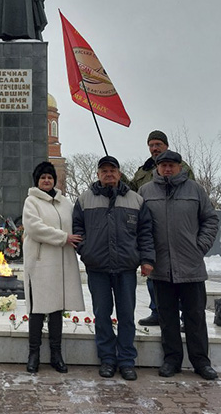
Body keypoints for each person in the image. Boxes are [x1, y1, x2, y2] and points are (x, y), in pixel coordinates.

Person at [139, 150, 220, 381]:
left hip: (190, 266)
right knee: (167, 317)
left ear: (179, 167)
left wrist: (200, 246)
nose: (167, 169)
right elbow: (141, 227)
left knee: (195, 317)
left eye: (171, 165)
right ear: (157, 167)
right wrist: (147, 255)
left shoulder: (195, 189)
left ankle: (201, 362)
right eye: (163, 165)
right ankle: (172, 360)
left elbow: (210, 219)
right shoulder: (145, 191)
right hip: (161, 267)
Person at [73, 156, 155, 381]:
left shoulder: (135, 200)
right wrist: (86, 250)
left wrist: (147, 259)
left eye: (113, 170)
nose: (108, 174)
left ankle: (127, 360)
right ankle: (108, 359)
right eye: (104, 171)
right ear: (98, 174)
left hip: (126, 267)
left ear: (119, 174)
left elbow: (145, 233)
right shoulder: (84, 200)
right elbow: (77, 229)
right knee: (102, 314)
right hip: (97, 267)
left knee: (126, 315)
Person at [21, 161, 85, 374]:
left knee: (57, 309)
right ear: (37, 181)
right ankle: (33, 354)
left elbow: (75, 225)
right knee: (37, 309)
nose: (46, 180)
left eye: (49, 177)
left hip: (60, 263)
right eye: (42, 178)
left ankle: (56, 354)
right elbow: (34, 228)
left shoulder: (65, 202)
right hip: (40, 263)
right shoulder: (31, 201)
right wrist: (63, 237)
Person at [128, 130, 194, 327]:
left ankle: (184, 317)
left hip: (176, 230)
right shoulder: (143, 171)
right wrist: (120, 178)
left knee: (179, 277)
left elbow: (188, 192)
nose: (154, 148)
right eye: (151, 145)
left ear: (166, 145)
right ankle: (157, 311)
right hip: (151, 230)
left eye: (158, 144)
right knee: (153, 274)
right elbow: (133, 194)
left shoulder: (180, 167)